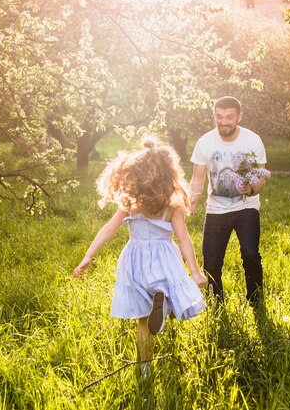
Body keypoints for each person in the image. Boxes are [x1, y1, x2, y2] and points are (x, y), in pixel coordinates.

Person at [73, 137, 208, 377]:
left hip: (135, 259)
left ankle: (145, 367)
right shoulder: (172, 204)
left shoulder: (131, 202)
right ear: (170, 173)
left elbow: (108, 229)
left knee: (143, 319)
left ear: (136, 172)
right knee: (170, 296)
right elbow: (184, 239)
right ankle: (163, 304)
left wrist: (88, 257)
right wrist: (195, 271)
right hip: (165, 257)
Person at [189, 96, 267, 307]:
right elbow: (198, 178)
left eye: (229, 117)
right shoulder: (205, 142)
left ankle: (256, 301)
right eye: (219, 117)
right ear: (214, 116)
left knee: (250, 253)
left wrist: (250, 189)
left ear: (239, 117)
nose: (224, 121)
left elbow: (260, 178)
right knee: (212, 264)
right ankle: (216, 304)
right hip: (216, 211)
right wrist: (191, 200)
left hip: (246, 207)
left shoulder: (252, 140)